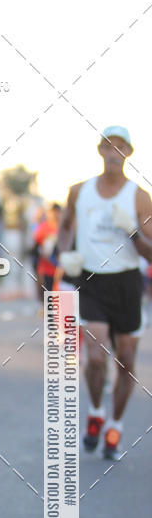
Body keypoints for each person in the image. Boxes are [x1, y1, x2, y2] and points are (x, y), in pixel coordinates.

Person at [57, 126, 152, 460]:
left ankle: (115, 424)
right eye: (109, 146)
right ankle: (96, 411)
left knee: (126, 361)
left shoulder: (139, 197)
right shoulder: (79, 192)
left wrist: (134, 232)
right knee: (96, 359)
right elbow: (66, 226)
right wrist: (65, 254)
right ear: (100, 151)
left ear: (128, 153)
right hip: (92, 280)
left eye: (121, 147)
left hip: (126, 283)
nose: (114, 152)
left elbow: (150, 253)